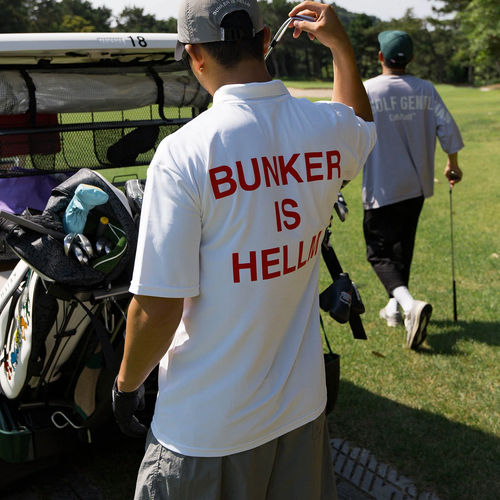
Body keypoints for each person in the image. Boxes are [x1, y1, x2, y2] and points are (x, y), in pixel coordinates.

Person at [112, 1, 376, 499]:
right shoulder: (326, 129)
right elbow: (360, 127)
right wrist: (342, 48)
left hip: (206, 430)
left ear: (194, 54)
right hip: (301, 416)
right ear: (265, 38)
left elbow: (160, 306)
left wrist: (126, 387)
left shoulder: (183, 153)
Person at [362, 30, 464, 349]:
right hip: (416, 186)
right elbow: (447, 129)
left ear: (380, 57)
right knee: (401, 250)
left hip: (381, 185)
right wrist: (452, 163)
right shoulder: (425, 89)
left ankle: (409, 307)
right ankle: (393, 309)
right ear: (412, 59)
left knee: (378, 253)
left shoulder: (367, 90)